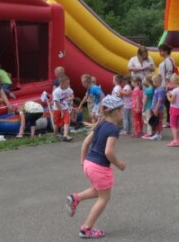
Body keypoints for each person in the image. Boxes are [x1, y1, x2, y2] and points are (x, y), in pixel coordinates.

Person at [65, 95, 126, 239]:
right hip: (99, 167)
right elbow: (108, 152)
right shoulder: (113, 129)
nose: (123, 113)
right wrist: (119, 164)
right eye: (122, 110)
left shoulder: (100, 124)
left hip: (89, 163)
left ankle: (75, 198)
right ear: (116, 111)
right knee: (104, 198)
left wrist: (82, 161)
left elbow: (85, 143)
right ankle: (86, 228)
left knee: (99, 191)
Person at [166, 74, 179, 147]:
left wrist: (168, 96)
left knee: (173, 125)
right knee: (177, 125)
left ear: (174, 82)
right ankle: (178, 139)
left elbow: (172, 101)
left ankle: (175, 140)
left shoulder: (175, 90)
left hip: (174, 108)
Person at [144, 74, 166, 141]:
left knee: (158, 122)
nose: (153, 83)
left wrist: (156, 110)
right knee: (155, 122)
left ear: (157, 82)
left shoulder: (160, 90)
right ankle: (156, 133)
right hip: (154, 109)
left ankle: (158, 134)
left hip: (158, 110)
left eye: (153, 82)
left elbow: (159, 101)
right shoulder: (156, 89)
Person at [158, 44, 175, 128]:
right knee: (167, 103)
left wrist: (167, 84)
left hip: (166, 85)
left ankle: (169, 121)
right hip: (164, 84)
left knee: (167, 103)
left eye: (161, 50)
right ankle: (170, 120)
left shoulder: (168, 60)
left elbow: (169, 71)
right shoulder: (167, 60)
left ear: (165, 51)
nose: (160, 52)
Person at [52, 76, 74, 142]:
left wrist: (71, 98)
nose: (68, 85)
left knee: (66, 121)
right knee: (57, 123)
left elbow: (72, 95)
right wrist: (61, 111)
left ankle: (65, 135)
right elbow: (56, 102)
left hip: (65, 108)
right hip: (57, 109)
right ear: (61, 83)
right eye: (67, 83)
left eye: (68, 83)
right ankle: (55, 134)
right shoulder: (56, 91)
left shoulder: (68, 89)